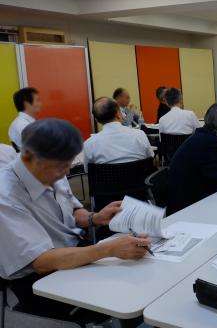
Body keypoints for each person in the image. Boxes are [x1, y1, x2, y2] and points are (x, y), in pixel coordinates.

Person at [0, 119, 150, 324]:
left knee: (137, 276)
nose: (67, 172)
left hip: (74, 252)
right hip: (41, 277)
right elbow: (41, 262)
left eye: (69, 163)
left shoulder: (51, 170)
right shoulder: (6, 196)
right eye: (61, 166)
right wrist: (109, 249)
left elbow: (71, 211)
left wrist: (94, 217)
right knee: (120, 295)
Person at [83, 97, 154, 168]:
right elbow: (151, 158)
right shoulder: (140, 134)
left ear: (97, 120)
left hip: (106, 175)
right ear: (118, 114)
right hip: (139, 175)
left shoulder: (89, 144)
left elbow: (88, 170)